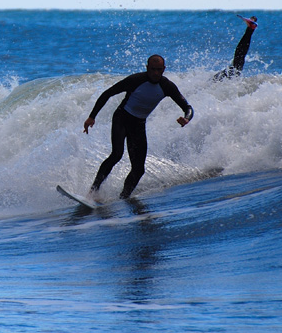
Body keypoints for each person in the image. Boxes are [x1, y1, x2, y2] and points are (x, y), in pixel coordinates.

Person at [83, 54, 194, 199]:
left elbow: (188, 107)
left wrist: (186, 119)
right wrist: (92, 116)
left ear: (164, 69)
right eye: (152, 69)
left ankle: (124, 197)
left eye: (159, 70)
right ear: (147, 68)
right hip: (122, 118)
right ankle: (93, 191)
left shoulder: (167, 86)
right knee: (117, 154)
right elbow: (107, 93)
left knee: (138, 170)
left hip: (139, 124)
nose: (155, 73)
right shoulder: (135, 80)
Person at [213, 15, 258, 81]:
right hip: (232, 74)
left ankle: (250, 28)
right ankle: (250, 28)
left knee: (239, 55)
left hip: (231, 74)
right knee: (239, 55)